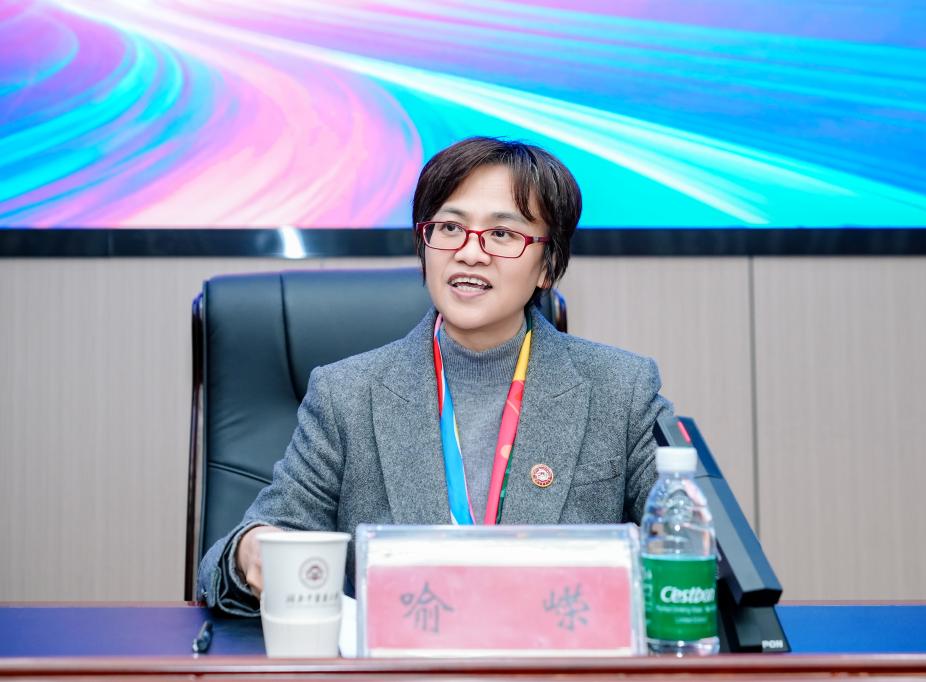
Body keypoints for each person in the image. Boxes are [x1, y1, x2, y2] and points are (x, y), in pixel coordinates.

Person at [199, 137, 673, 615]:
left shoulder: (621, 390)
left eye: (502, 234)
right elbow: (230, 563)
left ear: (547, 266)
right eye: (449, 227)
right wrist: (252, 550)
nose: (470, 253)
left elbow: (696, 551)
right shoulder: (346, 396)